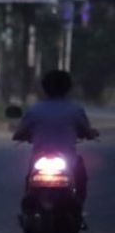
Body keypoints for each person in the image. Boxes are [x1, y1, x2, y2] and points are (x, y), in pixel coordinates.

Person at [12, 69, 99, 208]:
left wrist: (20, 136)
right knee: (80, 179)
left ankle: (28, 209)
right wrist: (91, 134)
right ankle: (78, 208)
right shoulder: (75, 109)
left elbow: (20, 132)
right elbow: (86, 130)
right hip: (68, 158)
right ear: (68, 88)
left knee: (30, 180)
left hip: (39, 158)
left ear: (44, 88)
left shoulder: (35, 109)